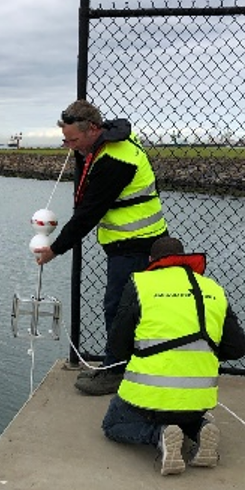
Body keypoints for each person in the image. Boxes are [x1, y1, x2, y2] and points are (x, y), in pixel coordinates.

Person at [34, 100, 168, 396]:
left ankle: (114, 372)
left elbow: (88, 215)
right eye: (65, 140)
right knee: (133, 307)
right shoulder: (108, 144)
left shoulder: (114, 161)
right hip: (139, 241)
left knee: (118, 307)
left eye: (74, 140)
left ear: (93, 129)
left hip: (135, 244)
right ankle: (133, 364)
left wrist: (54, 249)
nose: (70, 147)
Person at [99, 236, 245, 475]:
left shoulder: (140, 283)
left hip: (147, 396)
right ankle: (200, 429)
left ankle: (159, 435)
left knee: (113, 424)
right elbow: (237, 348)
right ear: (185, 260)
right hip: (198, 399)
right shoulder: (213, 289)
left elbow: (117, 344)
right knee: (183, 413)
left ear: (151, 260)